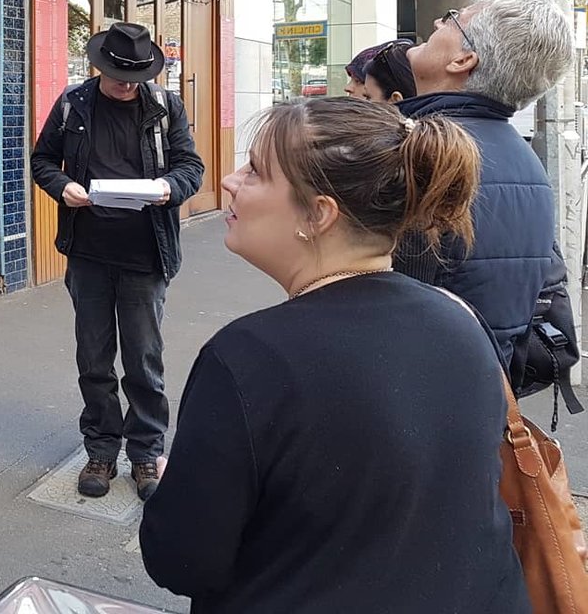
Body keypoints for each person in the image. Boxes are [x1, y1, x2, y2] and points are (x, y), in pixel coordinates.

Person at [139, 97, 530, 614]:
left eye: (255, 170)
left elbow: (181, 561)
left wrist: (177, 489)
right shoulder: (460, 319)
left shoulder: (250, 358)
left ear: (319, 214)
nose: (230, 182)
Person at [31, 22, 204, 502]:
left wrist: (169, 187)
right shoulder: (73, 104)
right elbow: (42, 160)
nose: (127, 86)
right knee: (94, 359)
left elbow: (191, 167)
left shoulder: (165, 107)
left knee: (144, 361)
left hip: (146, 254)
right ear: (99, 67)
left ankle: (146, 453)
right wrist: (62, 187)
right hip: (88, 253)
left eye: (135, 79)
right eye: (118, 77)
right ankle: (102, 451)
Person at [396, 0, 577, 399]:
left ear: (463, 60)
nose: (438, 22)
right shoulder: (526, 160)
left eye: (452, 19)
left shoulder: (423, 153)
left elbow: (381, 297)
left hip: (411, 401)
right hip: (481, 398)